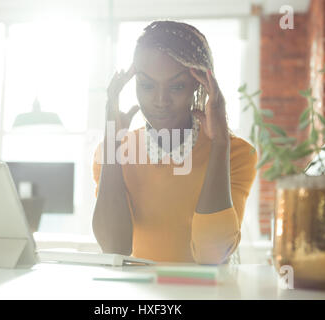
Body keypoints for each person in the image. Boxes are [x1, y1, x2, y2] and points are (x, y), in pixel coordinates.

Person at [91, 20, 257, 264]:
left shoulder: (237, 153)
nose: (160, 101)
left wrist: (219, 144)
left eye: (177, 86)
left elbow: (211, 254)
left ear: (199, 86)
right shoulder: (113, 153)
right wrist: (112, 142)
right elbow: (115, 247)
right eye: (147, 85)